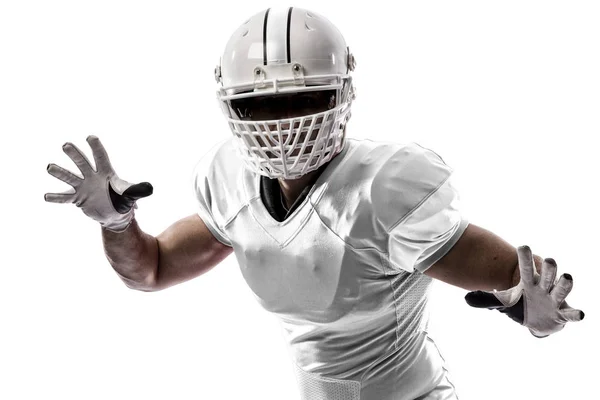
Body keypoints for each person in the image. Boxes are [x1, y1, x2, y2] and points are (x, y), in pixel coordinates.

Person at [44, 7, 584, 400]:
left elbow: (520, 283)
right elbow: (151, 270)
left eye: (304, 98)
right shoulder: (229, 182)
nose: (284, 126)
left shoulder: (385, 190)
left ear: (343, 92)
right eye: (261, 105)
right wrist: (117, 223)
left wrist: (532, 314)